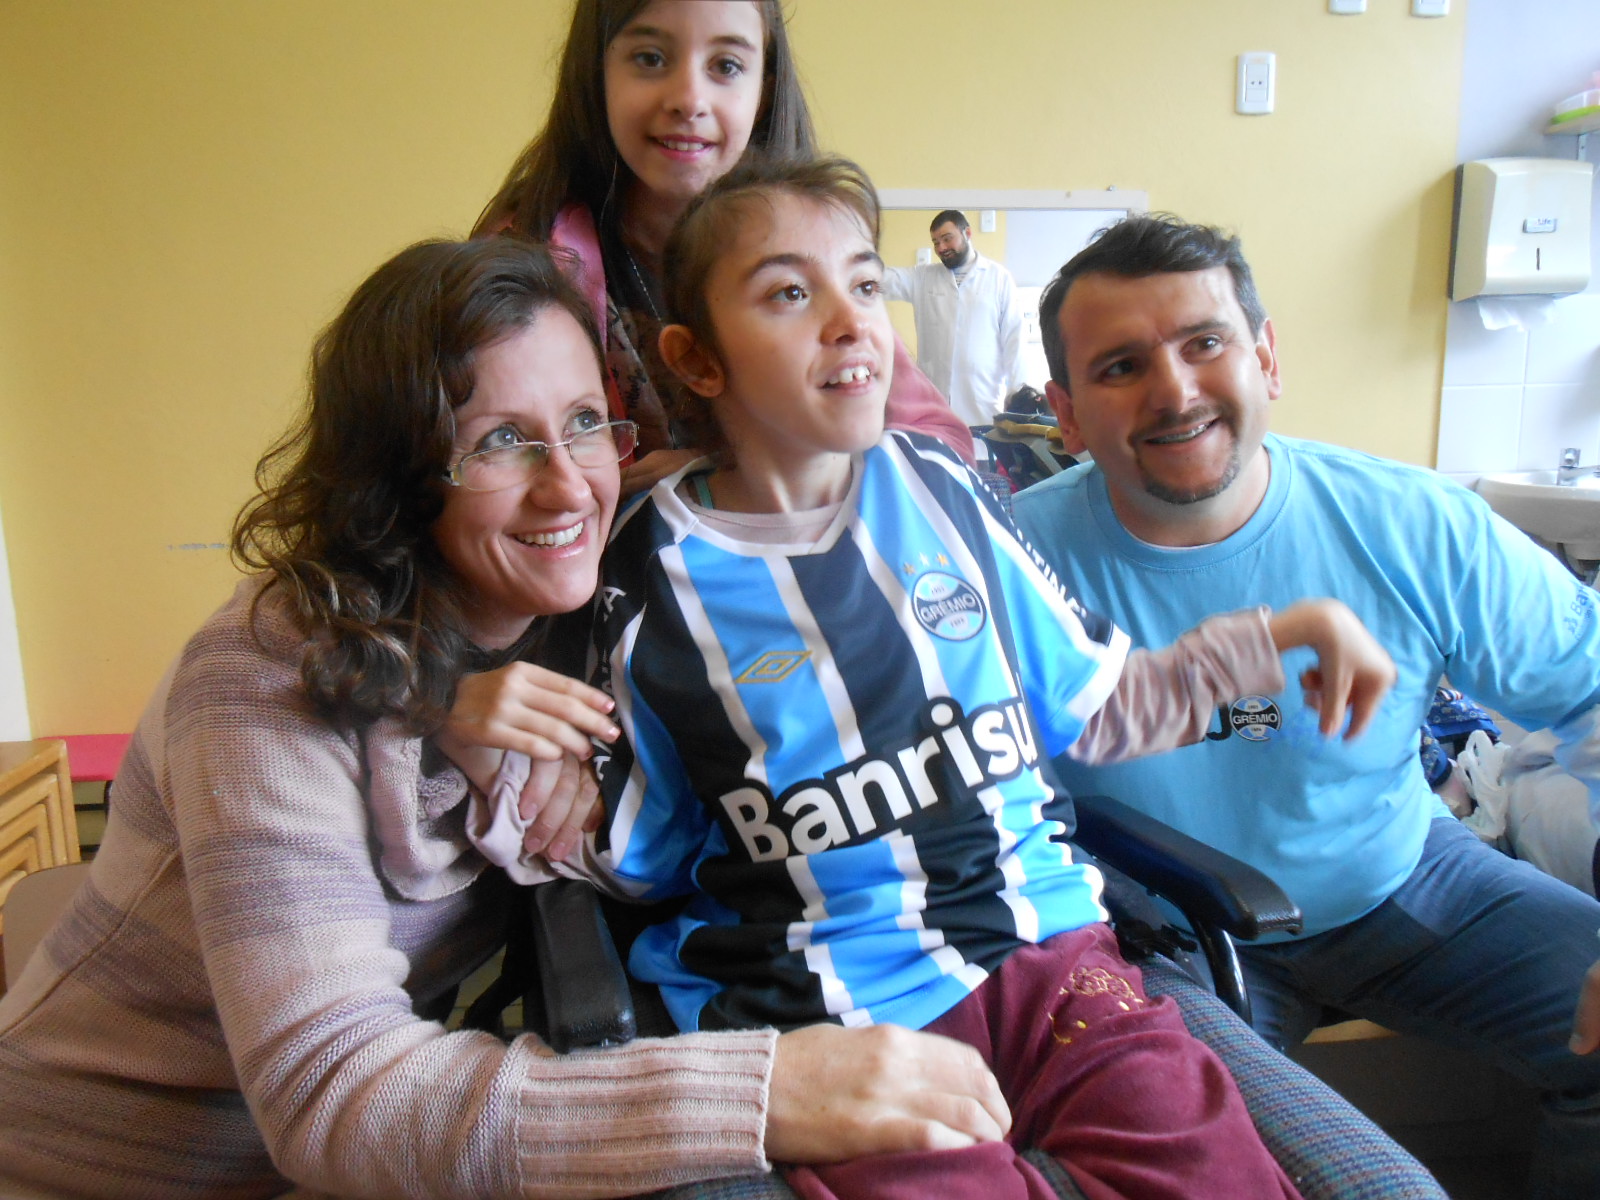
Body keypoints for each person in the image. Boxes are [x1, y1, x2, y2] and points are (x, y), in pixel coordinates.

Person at [0, 236, 1015, 1200]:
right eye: (498, 442)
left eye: (584, 421)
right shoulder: (262, 678)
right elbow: (330, 1094)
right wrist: (767, 1090)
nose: (569, 484)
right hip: (99, 1162)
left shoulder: (587, 600)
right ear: (397, 477)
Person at [477, 155, 1404, 1199]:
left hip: (1053, 957)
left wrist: (1284, 631)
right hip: (825, 1008)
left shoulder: (949, 489)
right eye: (791, 293)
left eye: (866, 285)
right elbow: (638, 853)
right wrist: (520, 776)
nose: (849, 320)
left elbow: (1105, 710)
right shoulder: (642, 573)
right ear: (695, 360)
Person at [1010, 212, 1600, 1200]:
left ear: (1266, 357)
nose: (1176, 390)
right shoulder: (1004, 564)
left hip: (1407, 878)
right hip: (1161, 939)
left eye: (1205, 344)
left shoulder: (1412, 522)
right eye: (1119, 367)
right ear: (1066, 417)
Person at [475, 0, 973, 493]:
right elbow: (481, 468)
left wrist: (733, 466)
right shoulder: (526, 256)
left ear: (764, 88)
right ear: (596, 71)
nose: (689, 100)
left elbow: (944, 446)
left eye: (727, 66)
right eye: (650, 58)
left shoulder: (817, 251)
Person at [883, 209, 1026, 428]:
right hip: (934, 402)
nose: (941, 248)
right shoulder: (923, 277)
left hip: (982, 402)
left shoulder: (999, 278)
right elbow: (883, 280)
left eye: (947, 239)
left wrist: (1018, 390)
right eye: (935, 242)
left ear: (967, 233)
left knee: (981, 456)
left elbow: (1014, 337)